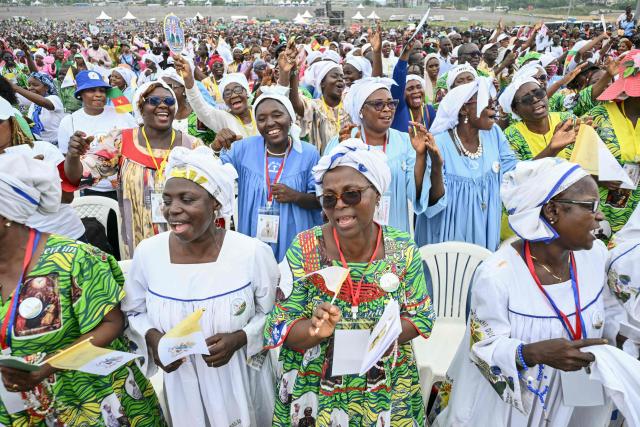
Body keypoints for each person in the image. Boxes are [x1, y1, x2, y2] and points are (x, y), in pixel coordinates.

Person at [431, 158, 623, 426]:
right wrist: (532, 353)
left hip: (572, 403)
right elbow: (482, 348)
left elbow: (611, 313)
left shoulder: (596, 257)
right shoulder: (498, 274)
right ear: (553, 211)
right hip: (509, 409)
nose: (600, 216)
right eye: (590, 207)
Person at [264, 140, 435, 426]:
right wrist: (314, 331)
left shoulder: (401, 247)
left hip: (385, 387)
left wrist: (378, 337)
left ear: (377, 194)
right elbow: (280, 325)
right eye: (329, 198)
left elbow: (420, 318)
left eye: (352, 194)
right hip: (317, 390)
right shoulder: (305, 247)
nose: (339, 204)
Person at [0, 153, 165, 426]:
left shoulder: (74, 259)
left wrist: (48, 365)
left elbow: (112, 324)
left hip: (91, 401)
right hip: (22, 408)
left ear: (7, 213)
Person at [122, 146, 277, 426]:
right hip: (181, 385)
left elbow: (274, 314)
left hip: (238, 383)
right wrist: (153, 338)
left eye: (187, 199)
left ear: (214, 203)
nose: (173, 209)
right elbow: (133, 312)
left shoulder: (251, 253)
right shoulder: (148, 253)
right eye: (167, 200)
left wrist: (241, 338)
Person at [62, 80, 202, 259]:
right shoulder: (121, 141)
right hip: (140, 244)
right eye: (153, 101)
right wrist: (73, 155)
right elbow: (78, 176)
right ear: (140, 107)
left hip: (186, 241)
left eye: (168, 101)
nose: (162, 106)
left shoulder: (193, 146)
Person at [214, 88, 321, 261]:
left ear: (290, 117)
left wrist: (295, 196)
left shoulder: (309, 154)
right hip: (254, 241)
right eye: (262, 119)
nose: (270, 123)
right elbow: (212, 171)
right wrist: (217, 147)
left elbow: (319, 201)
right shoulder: (243, 149)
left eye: (277, 115)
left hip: (294, 243)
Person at [413, 78, 517, 251]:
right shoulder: (438, 143)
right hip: (448, 237)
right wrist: (437, 166)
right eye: (486, 102)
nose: (493, 107)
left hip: (485, 233)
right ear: (463, 109)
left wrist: (551, 150)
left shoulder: (494, 134)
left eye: (494, 101)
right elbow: (432, 203)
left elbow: (514, 172)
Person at [325, 77, 419, 234]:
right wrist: (346, 152)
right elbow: (327, 192)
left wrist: (424, 156)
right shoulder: (342, 140)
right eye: (378, 104)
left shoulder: (404, 142)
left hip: (394, 228)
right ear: (361, 110)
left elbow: (417, 192)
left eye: (391, 103)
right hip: (351, 232)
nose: (387, 109)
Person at [0, 97, 85, 240]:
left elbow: (67, 197)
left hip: (67, 237)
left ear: (12, 123)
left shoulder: (42, 149)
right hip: (18, 250)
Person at [57, 70, 138, 203]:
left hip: (125, 188)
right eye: (91, 90)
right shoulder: (69, 121)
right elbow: (67, 162)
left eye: (102, 90)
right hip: (90, 190)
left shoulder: (123, 115)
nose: (98, 95)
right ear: (80, 94)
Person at [589, 50, 640, 240]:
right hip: (600, 209)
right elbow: (571, 160)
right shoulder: (599, 116)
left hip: (636, 214)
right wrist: (596, 177)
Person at [277, 40, 349, 154]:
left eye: (342, 76)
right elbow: (295, 103)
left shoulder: (350, 105)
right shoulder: (315, 107)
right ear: (322, 83)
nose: (340, 79)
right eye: (335, 76)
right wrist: (293, 70)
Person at [175, 56, 258, 138]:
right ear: (224, 101)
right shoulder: (223, 119)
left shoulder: (259, 111)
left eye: (238, 89)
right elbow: (200, 106)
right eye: (227, 93)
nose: (234, 95)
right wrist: (188, 79)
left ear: (246, 93)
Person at [500, 78, 578, 161]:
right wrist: (551, 150)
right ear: (515, 110)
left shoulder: (567, 119)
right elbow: (517, 172)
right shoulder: (510, 137)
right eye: (526, 99)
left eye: (539, 93)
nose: (535, 99)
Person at [160, 67, 216, 145]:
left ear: (183, 88)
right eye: (161, 87)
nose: (165, 91)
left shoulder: (201, 112)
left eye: (169, 86)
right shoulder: (158, 116)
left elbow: (216, 139)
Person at [391, 42, 437, 133]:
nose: (416, 91)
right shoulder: (399, 109)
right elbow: (398, 81)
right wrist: (405, 53)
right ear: (402, 94)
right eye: (410, 89)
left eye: (419, 87)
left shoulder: (429, 110)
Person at [10, 72, 66, 146]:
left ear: (47, 87)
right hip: (41, 145)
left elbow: (44, 103)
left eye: (35, 85)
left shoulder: (54, 99)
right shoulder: (33, 105)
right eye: (29, 85)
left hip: (58, 144)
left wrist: (16, 88)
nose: (30, 88)